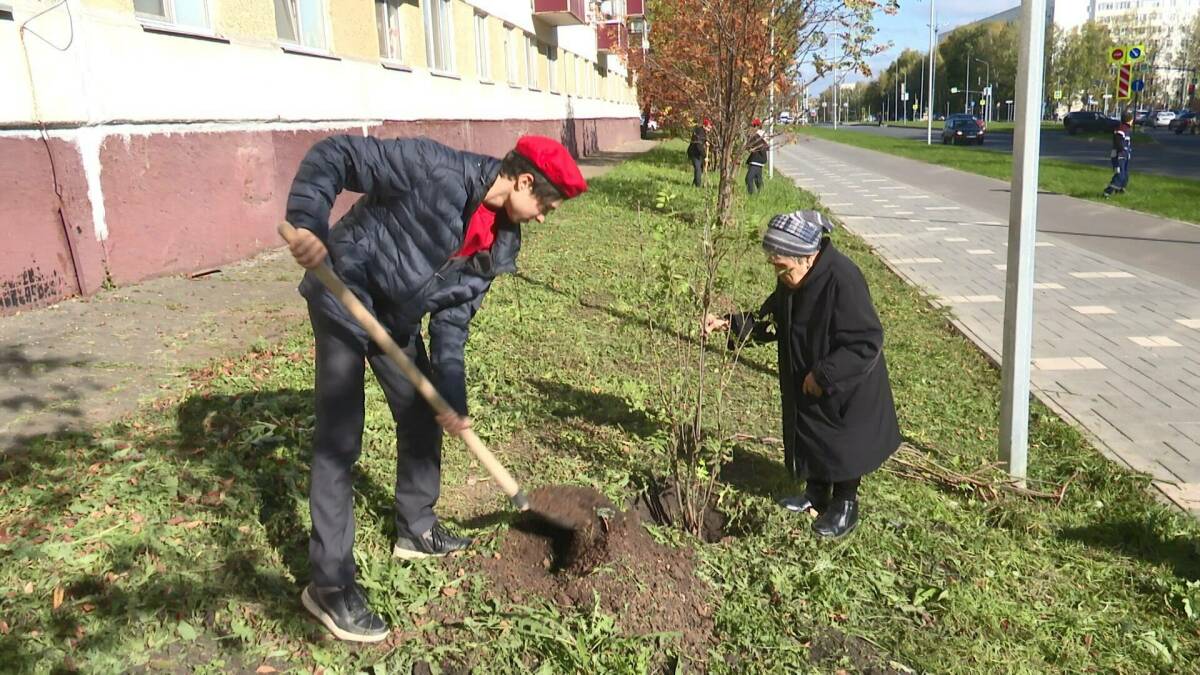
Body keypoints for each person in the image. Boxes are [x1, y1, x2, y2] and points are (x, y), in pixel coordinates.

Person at [285, 134, 586, 642]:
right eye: (546, 206)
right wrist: (309, 225)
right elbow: (337, 155)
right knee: (341, 439)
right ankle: (329, 587)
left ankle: (416, 526)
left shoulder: (498, 244)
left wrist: (452, 397)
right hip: (344, 291)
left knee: (422, 414)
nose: (541, 218)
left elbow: (452, 323)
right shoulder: (433, 169)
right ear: (524, 181)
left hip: (395, 319)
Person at [704, 211, 900, 540]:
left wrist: (824, 375)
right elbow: (772, 320)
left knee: (843, 442)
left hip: (847, 383)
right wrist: (729, 324)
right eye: (774, 266)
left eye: (783, 267)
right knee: (814, 433)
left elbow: (866, 341)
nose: (778, 273)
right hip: (809, 378)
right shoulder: (792, 279)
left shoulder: (843, 279)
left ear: (807, 257)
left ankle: (845, 504)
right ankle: (816, 492)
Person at [1103, 111, 1133, 197]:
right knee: (1120, 175)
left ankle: (1120, 190)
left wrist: (1127, 152)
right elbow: (1118, 142)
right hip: (1118, 156)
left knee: (1125, 175)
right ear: (1129, 120)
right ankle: (1107, 192)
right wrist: (1121, 150)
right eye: (1132, 120)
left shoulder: (1126, 129)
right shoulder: (1121, 129)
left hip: (1124, 156)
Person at [746, 119, 769, 195]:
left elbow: (764, 146)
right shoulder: (756, 135)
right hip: (757, 159)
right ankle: (761, 195)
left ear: (757, 126)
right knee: (758, 179)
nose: (752, 127)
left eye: (753, 126)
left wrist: (753, 148)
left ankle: (751, 195)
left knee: (749, 178)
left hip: (757, 160)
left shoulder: (758, 135)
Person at [687, 118, 712, 187]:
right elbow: (699, 145)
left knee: (700, 169)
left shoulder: (703, 131)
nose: (709, 130)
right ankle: (698, 186)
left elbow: (702, 140)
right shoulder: (699, 132)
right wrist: (705, 156)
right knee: (698, 169)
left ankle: (695, 183)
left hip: (698, 153)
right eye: (708, 128)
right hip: (694, 153)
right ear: (704, 126)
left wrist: (706, 141)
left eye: (710, 128)